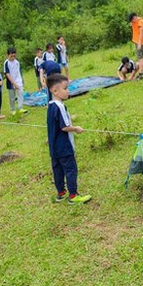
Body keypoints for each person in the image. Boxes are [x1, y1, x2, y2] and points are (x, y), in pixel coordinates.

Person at [46, 73, 92, 204]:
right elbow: (65, 126)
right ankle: (73, 196)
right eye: (65, 88)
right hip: (64, 146)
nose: (68, 91)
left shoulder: (50, 105)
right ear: (55, 91)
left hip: (54, 147)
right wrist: (76, 128)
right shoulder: (60, 106)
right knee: (71, 169)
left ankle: (61, 193)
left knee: (58, 169)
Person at [4, 47, 26, 115]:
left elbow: (19, 71)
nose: (13, 57)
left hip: (18, 80)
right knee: (12, 97)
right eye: (11, 56)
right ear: (7, 55)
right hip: (11, 82)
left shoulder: (17, 62)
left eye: (14, 56)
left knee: (20, 94)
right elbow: (7, 74)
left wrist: (22, 80)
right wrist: (13, 83)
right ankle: (12, 109)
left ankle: (20, 108)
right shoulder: (6, 63)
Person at [128, 12, 143, 79]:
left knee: (140, 58)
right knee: (141, 56)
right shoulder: (137, 21)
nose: (132, 21)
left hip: (140, 42)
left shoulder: (140, 23)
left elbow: (141, 33)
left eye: (132, 20)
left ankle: (141, 73)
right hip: (139, 42)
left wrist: (139, 43)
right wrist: (132, 23)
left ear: (135, 17)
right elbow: (132, 24)